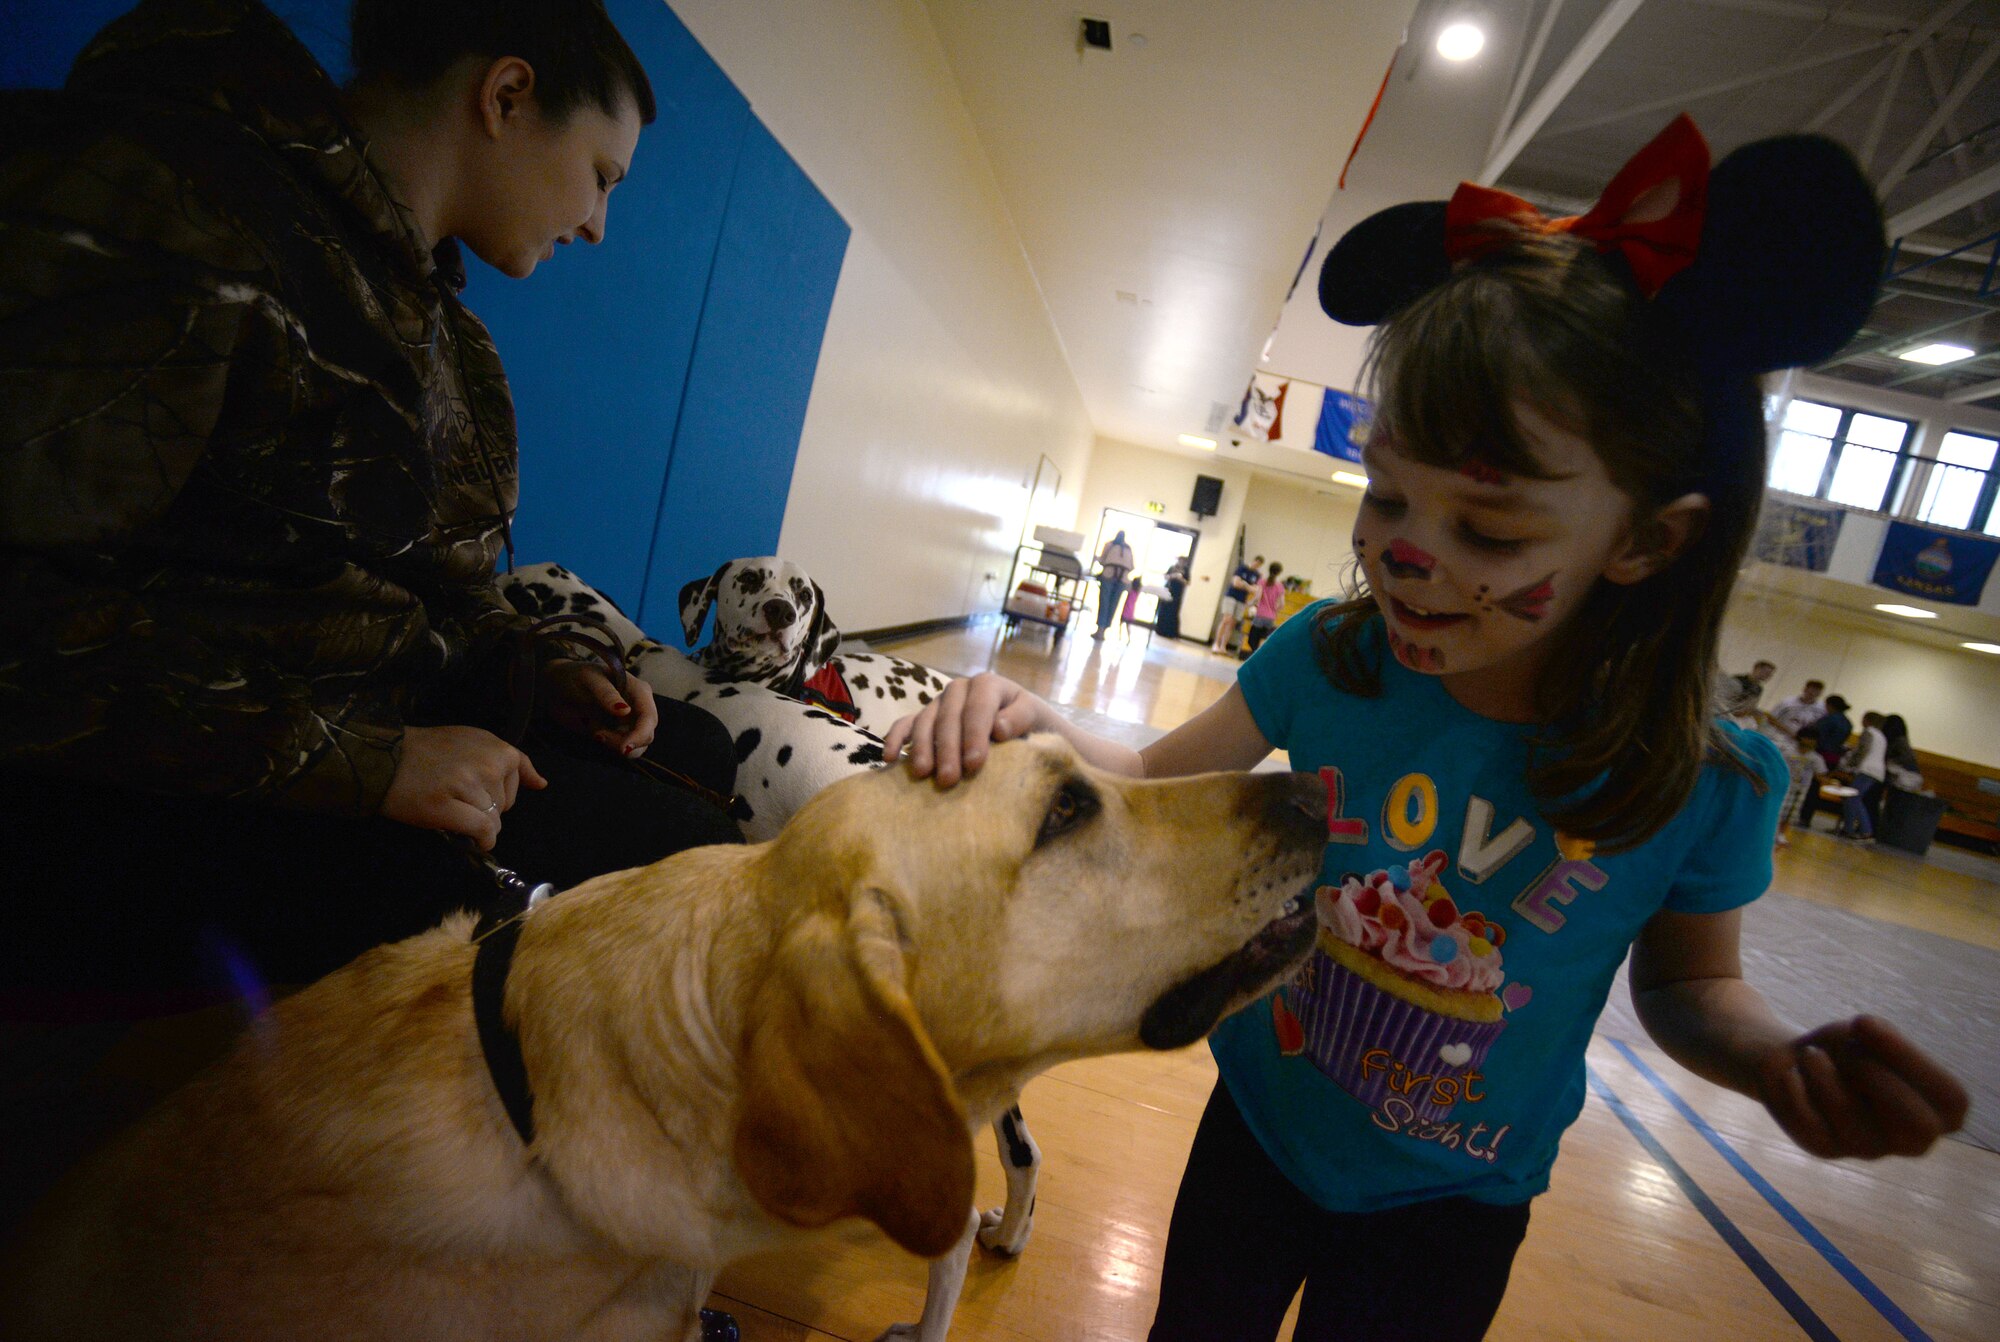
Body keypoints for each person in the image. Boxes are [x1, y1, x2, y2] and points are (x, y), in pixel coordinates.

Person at [885, 117, 1966, 1342]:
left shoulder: (1700, 783)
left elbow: (1692, 985)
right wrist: (1044, 726)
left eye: (1488, 533)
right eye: (1386, 494)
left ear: (1644, 541)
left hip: (1453, 1210)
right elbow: (1142, 772)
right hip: (1259, 1133)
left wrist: (1770, 1059)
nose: (1404, 556)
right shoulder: (1329, 660)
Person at [0, 0, 746, 1246]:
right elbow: (31, 631)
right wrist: (372, 765)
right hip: (137, 788)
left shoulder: (427, 316)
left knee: (698, 753)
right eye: (600, 176)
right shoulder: (169, 205)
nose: (599, 222)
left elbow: (423, 593)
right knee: (630, 887)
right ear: (505, 96)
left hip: (315, 743)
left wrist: (534, 664)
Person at [1796, 693, 1852, 831]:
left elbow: (1815, 734)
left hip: (1821, 755)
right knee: (1819, 787)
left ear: (1830, 705)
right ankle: (1807, 817)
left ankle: (1804, 817)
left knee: (1810, 787)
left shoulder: (1828, 719)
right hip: (1834, 758)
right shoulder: (1848, 723)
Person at [1837, 712, 1889, 841]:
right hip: (1876, 770)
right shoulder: (1881, 736)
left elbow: (1863, 750)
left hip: (1867, 769)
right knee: (1852, 798)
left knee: (1853, 798)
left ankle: (1866, 830)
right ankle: (1848, 829)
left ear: (1867, 720)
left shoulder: (1869, 732)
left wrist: (1851, 765)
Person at [1773, 729, 1826, 850]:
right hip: (1785, 785)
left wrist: (1830, 783)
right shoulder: (1787, 751)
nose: (1809, 741)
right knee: (1779, 809)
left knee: (1791, 813)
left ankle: (1781, 835)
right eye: (1807, 738)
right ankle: (1772, 833)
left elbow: (1820, 774)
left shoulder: (1816, 758)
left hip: (1801, 788)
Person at [1214, 553, 1264, 654]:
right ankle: (1216, 644)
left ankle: (1223, 646)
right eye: (1256, 563)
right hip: (1231, 596)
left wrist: (1244, 584)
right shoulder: (1242, 568)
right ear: (1254, 561)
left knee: (1232, 623)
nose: (1257, 566)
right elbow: (1236, 583)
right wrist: (1248, 586)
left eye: (1259, 565)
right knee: (1226, 620)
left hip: (1242, 600)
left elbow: (1255, 589)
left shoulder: (1257, 575)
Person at [1093, 530, 1137, 640]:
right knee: (1113, 604)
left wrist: (1097, 559)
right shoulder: (1129, 549)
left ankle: (1100, 630)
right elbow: (1132, 566)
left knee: (1104, 602)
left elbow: (1103, 560)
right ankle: (1104, 629)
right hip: (1122, 579)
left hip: (1108, 575)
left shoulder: (1109, 545)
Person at [1243, 561, 1287, 657]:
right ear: (1279, 572)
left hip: (1260, 614)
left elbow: (1257, 597)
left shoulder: (1262, 581)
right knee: (1263, 638)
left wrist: (1249, 603)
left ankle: (1255, 655)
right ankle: (1259, 656)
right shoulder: (1280, 586)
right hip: (1271, 617)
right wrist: (1275, 610)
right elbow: (1282, 604)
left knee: (1252, 639)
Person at [1714, 658, 1776, 723]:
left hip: (1738, 716)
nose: (1767, 676)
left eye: (1769, 674)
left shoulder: (1758, 689)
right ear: (1756, 668)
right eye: (1765, 672)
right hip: (1724, 712)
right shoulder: (1738, 680)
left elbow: (1751, 706)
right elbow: (1724, 699)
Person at [1157, 557, 1191, 640]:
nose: (1181, 562)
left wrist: (1180, 578)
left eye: (1183, 561)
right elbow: (1165, 576)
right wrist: (1172, 576)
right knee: (1164, 609)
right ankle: (1160, 630)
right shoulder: (1172, 568)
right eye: (1180, 560)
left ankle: (1171, 633)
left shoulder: (1186, 571)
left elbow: (1188, 582)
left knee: (1173, 612)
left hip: (1177, 593)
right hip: (1169, 589)